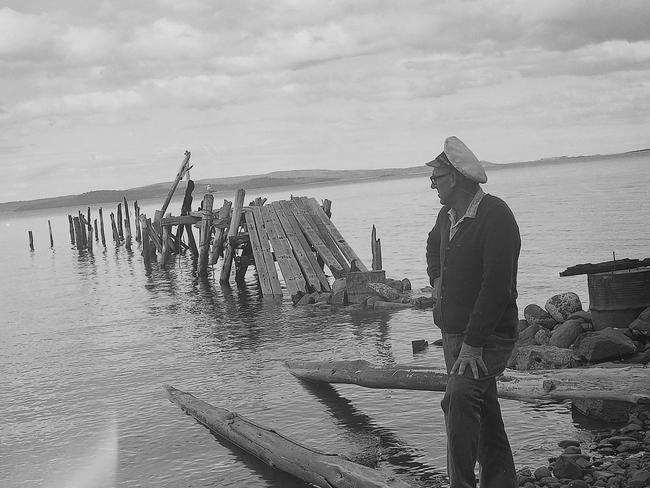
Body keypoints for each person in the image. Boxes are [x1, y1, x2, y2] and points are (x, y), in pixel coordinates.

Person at [425, 136, 520, 488]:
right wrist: (436, 278)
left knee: (459, 401)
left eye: (436, 178)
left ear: (455, 177)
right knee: (486, 415)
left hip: (486, 338)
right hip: (454, 335)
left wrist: (474, 344)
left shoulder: (496, 215)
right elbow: (432, 246)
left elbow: (498, 287)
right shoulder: (446, 215)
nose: (432, 185)